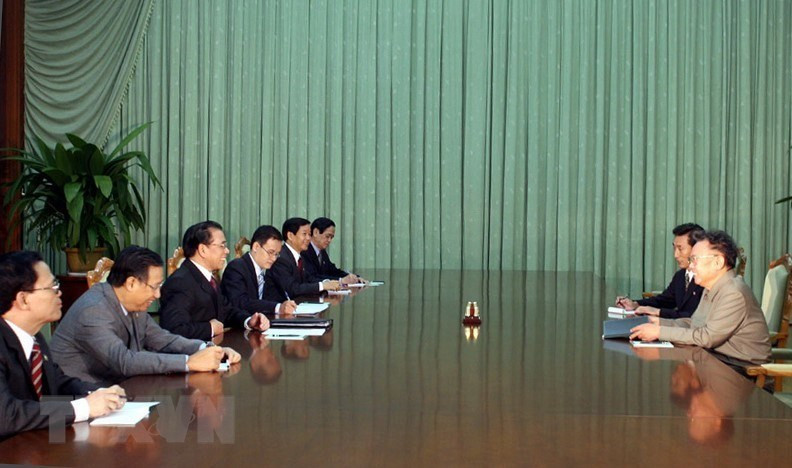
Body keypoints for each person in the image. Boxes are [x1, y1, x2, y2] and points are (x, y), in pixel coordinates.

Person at [50, 246, 241, 386]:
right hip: (79, 399)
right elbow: (124, 361)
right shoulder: (93, 310)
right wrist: (189, 362)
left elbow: (162, 339)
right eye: (154, 287)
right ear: (131, 283)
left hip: (119, 389)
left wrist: (209, 349)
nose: (158, 295)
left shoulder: (132, 303)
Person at [0, 251, 125, 439]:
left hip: (34, 446)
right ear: (23, 299)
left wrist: (99, 393)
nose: (59, 292)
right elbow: (6, 416)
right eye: (52, 286)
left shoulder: (35, 339)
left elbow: (58, 382)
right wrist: (84, 407)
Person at [630, 230, 771, 365]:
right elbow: (694, 324)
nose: (690, 266)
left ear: (718, 262)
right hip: (715, 359)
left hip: (740, 370)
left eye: (695, 259)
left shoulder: (734, 293)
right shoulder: (712, 286)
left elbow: (707, 337)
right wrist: (659, 323)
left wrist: (660, 332)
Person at [160, 221, 269, 340]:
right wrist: (210, 328)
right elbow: (173, 330)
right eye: (222, 246)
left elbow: (226, 311)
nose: (227, 251)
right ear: (202, 250)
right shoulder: (180, 282)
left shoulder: (208, 277)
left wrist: (249, 321)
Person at [615, 223, 704, 318]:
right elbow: (664, 300)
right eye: (674, 248)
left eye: (680, 248)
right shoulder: (680, 275)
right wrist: (635, 304)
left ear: (697, 249)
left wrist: (658, 312)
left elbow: (693, 316)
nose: (676, 255)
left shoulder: (707, 278)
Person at [221, 225, 297, 316]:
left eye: (276, 254)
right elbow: (240, 302)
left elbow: (275, 296)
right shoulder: (236, 268)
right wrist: (277, 307)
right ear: (256, 247)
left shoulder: (268, 268)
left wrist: (287, 304)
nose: (273, 258)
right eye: (270, 252)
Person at [263, 217, 340, 302]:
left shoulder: (299, 257)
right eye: (304, 234)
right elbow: (293, 289)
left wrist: (328, 283)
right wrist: (322, 285)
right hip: (276, 311)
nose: (308, 238)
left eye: (309, 234)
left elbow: (309, 279)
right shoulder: (281, 258)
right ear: (290, 236)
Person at [301, 217, 366, 284]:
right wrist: (340, 280)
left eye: (331, 237)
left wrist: (354, 277)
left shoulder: (321, 251)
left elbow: (333, 271)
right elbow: (312, 277)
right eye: (327, 236)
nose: (329, 240)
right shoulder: (304, 251)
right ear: (315, 232)